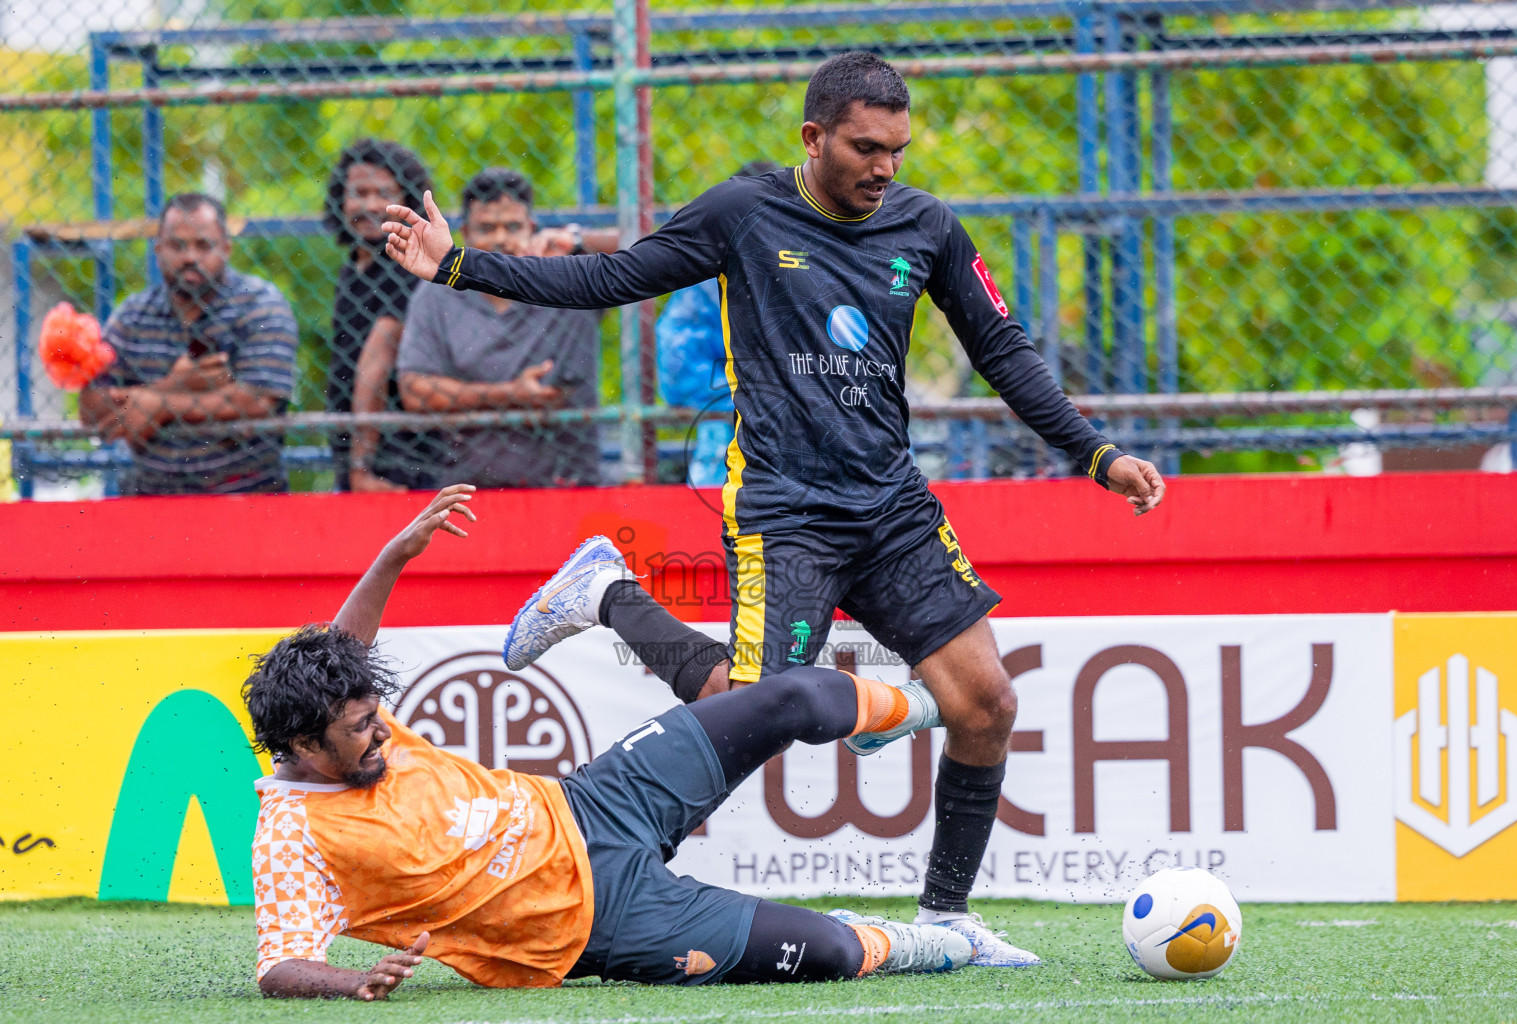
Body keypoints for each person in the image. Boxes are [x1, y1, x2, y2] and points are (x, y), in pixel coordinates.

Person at [382, 50, 1166, 965]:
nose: (884, 168)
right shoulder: (742, 213)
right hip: (785, 513)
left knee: (986, 701)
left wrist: (1095, 452)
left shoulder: (927, 227)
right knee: (757, 712)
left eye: (898, 151)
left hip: (893, 508)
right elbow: (609, 280)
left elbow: (1001, 348)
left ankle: (947, 915)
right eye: (865, 148)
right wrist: (458, 265)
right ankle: (610, 597)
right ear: (812, 137)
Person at [244, 487, 973, 999]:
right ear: (304, 745)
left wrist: (396, 555)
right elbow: (280, 968)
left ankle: (940, 705)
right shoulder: (291, 836)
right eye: (361, 731)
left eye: (377, 716)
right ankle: (935, 942)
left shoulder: (337, 706)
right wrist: (354, 981)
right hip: (593, 922)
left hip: (593, 801)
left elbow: (345, 644)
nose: (382, 733)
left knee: (790, 696)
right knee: (834, 952)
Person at [396, 168, 619, 489]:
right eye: (487, 228)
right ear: (465, 234)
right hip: (471, 484)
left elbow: (645, 250)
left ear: (532, 229)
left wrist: (575, 239)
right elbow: (415, 391)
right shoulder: (436, 295)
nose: (500, 239)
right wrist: (510, 395)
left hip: (569, 481)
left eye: (513, 227)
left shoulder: (567, 276)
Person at [80, 193, 296, 495]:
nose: (190, 257)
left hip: (245, 495)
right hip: (152, 496)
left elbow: (258, 399)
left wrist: (160, 406)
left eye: (203, 245)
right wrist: (175, 385)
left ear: (226, 249)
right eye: (177, 245)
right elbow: (91, 407)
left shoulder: (260, 304)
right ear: (158, 250)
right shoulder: (133, 315)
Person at [655, 160, 778, 487]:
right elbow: (676, 376)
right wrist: (761, 392)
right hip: (728, 431)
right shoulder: (704, 286)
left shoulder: (816, 274)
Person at [323, 138, 436, 492]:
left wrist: (361, 467)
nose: (370, 205)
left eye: (384, 193)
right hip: (354, 445)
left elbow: (377, 362)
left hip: (395, 454)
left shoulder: (408, 266)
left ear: (407, 201)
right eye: (359, 193)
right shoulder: (352, 270)